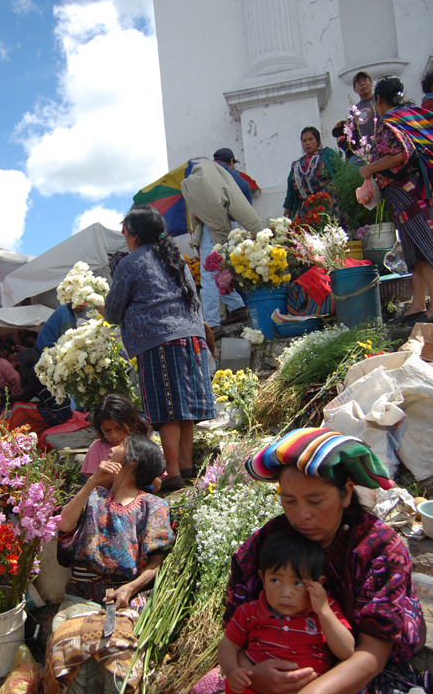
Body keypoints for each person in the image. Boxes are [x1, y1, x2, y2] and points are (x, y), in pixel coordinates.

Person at [175, 428, 423, 694]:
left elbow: (371, 654)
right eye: (288, 501)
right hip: (268, 666)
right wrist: (251, 673)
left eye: (315, 501)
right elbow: (239, 626)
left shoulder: (379, 548)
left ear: (346, 494)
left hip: (355, 677)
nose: (301, 515)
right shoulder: (271, 541)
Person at [190, 529, 354, 694]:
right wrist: (233, 671)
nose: (285, 592)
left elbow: (346, 650)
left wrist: (323, 611)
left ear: (317, 585)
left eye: (298, 583)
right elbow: (228, 645)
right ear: (262, 578)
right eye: (276, 580)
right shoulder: (251, 611)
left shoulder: (326, 611)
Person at [44, 435, 174, 694]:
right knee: (69, 645)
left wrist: (130, 588)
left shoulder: (153, 506)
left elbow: (157, 563)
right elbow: (64, 524)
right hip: (82, 598)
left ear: (131, 462)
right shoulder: (93, 498)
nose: (110, 448)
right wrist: (92, 482)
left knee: (116, 648)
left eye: (119, 447)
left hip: (126, 599)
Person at [103, 206, 216, 491]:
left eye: (124, 230)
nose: (123, 235)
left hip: (160, 341)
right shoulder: (174, 258)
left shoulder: (131, 263)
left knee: (166, 410)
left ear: (135, 235)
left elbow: (113, 312)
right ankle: (187, 468)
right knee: (184, 410)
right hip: (191, 338)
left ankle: (173, 475)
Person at [359, 75, 433, 322]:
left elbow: (401, 154)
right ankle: (418, 305)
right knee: (415, 253)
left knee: (425, 247)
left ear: (378, 99)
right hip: (421, 189)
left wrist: (369, 169)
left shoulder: (388, 122)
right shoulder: (416, 116)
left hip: (407, 193)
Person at [181, 149, 264, 340]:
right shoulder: (234, 176)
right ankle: (237, 307)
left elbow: (194, 213)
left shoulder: (200, 177)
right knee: (224, 271)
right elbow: (242, 204)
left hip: (210, 229)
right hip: (233, 226)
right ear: (232, 162)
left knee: (210, 276)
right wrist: (257, 231)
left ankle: (212, 324)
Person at [81, 393, 148, 476]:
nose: (114, 436)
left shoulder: (144, 446)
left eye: (119, 428)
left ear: (130, 423)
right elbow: (94, 483)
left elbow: (156, 484)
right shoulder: (97, 448)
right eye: (107, 431)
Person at [7, 348, 72, 433]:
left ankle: (12, 435)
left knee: (18, 407)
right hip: (66, 412)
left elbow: (25, 397)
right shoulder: (44, 368)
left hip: (58, 416)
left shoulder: (35, 372)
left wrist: (4, 397)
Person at [283, 127, 341, 221]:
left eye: (311, 139)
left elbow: (341, 174)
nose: (307, 143)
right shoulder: (296, 165)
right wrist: (288, 208)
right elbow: (291, 188)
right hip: (306, 212)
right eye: (304, 140)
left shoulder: (327, 154)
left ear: (317, 140)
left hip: (328, 206)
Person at [353, 71, 378, 145]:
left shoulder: (380, 100)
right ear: (355, 89)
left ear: (371, 82)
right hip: (363, 153)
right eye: (358, 83)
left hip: (381, 149)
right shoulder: (354, 111)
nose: (362, 84)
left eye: (365, 80)